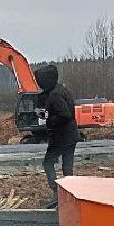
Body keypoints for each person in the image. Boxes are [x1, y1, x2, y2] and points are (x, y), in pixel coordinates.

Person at [33, 63, 78, 207]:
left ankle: (56, 192)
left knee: (48, 163)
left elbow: (65, 115)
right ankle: (70, 194)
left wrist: (48, 121)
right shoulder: (62, 90)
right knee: (67, 166)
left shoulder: (55, 95)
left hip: (61, 137)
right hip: (71, 135)